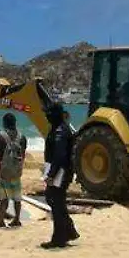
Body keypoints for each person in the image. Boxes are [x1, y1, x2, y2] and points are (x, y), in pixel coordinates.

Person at [42, 103, 78, 249]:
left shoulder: (61, 131)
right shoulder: (58, 128)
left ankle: (59, 238)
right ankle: (68, 231)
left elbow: (59, 155)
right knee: (56, 201)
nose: (46, 116)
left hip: (61, 172)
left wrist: (51, 174)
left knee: (55, 201)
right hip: (58, 170)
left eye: (48, 114)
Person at [0, 113, 27, 229]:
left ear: (4, 123)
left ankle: (0, 220)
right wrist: (19, 166)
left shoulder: (1, 136)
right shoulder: (22, 137)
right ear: (15, 123)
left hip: (4, 171)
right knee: (17, 197)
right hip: (16, 171)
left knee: (4, 197)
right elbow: (23, 154)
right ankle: (17, 219)